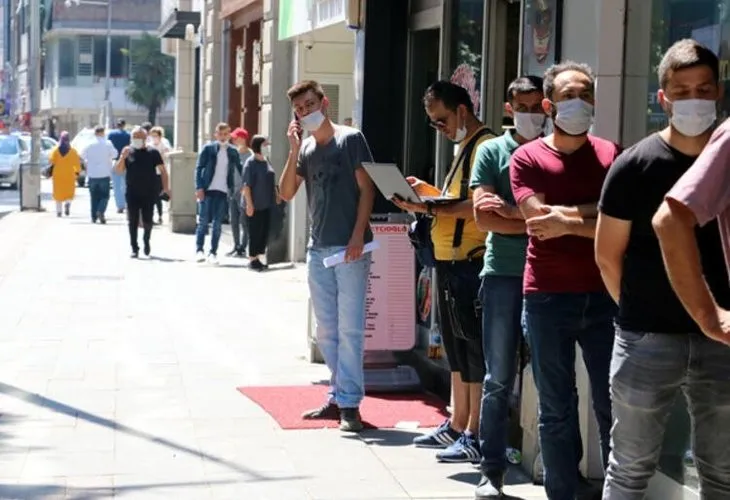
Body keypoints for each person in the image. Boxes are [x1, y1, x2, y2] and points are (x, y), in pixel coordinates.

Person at [598, 38, 730, 500]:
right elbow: (607, 255)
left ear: (719, 93)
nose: (695, 99)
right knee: (630, 468)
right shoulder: (634, 165)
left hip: (723, 341)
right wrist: (639, 314)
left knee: (723, 472)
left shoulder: (728, 158)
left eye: (704, 88)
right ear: (663, 98)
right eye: (682, 90)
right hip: (648, 339)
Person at [509, 61, 620, 500]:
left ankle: (618, 491)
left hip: (606, 294)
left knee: (614, 404)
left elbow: (623, 225)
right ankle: (564, 490)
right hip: (547, 297)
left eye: (587, 95)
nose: (580, 103)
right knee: (556, 407)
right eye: (571, 96)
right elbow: (537, 220)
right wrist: (595, 213)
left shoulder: (615, 155)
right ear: (550, 104)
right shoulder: (528, 157)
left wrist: (570, 220)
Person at [393, 81, 492, 462]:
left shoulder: (484, 146)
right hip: (452, 261)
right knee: (456, 349)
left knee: (471, 351)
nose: (440, 128)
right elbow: (457, 200)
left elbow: (476, 206)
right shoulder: (465, 148)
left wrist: (427, 208)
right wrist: (429, 193)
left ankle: (473, 430)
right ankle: (458, 423)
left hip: (470, 262)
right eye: (433, 123)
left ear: (462, 111)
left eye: (441, 120)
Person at [279, 80, 375, 432]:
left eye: (309, 104)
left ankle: (350, 404)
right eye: (300, 109)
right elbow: (287, 192)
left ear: (324, 103)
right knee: (327, 330)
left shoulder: (350, 139)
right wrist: (292, 150)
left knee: (350, 329)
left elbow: (367, 189)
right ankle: (338, 394)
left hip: (350, 247)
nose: (306, 112)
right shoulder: (305, 147)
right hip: (318, 248)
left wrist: (356, 237)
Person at [469, 75, 545, 497]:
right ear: (508, 107)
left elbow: (563, 214)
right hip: (502, 274)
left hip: (551, 275)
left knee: (553, 378)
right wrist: (534, 218)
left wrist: (513, 213)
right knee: (498, 377)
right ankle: (491, 469)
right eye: (523, 105)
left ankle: (553, 467)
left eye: (538, 104)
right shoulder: (492, 151)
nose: (531, 112)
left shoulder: (557, 151)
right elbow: (483, 218)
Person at [115, 127, 170, 258]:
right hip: (132, 191)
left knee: (147, 219)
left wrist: (165, 188)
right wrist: (123, 157)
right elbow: (118, 171)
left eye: (139, 137)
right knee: (132, 220)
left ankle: (146, 239)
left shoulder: (153, 152)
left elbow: (163, 171)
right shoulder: (128, 151)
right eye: (134, 137)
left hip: (149, 191)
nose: (136, 139)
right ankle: (134, 247)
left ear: (145, 139)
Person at [194, 122, 244, 265]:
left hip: (223, 191)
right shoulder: (208, 149)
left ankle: (213, 252)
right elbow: (198, 168)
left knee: (217, 224)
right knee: (203, 221)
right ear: (216, 134)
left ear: (229, 135)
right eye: (220, 134)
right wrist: (199, 187)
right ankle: (199, 250)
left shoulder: (232, 151)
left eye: (225, 134)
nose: (223, 137)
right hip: (207, 189)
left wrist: (246, 183)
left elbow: (240, 168)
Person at [242, 135, 277, 271]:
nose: (267, 147)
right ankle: (252, 259)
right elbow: (246, 186)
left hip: (266, 203)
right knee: (255, 232)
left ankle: (258, 257)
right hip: (255, 204)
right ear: (258, 146)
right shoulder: (250, 163)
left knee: (263, 231)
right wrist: (249, 204)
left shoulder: (266, 161)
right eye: (265, 144)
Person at [81, 125, 118, 224]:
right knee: (104, 196)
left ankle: (93, 217)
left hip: (92, 174)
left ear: (95, 133)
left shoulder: (89, 144)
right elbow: (115, 154)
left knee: (94, 196)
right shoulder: (108, 143)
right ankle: (100, 211)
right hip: (104, 173)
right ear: (103, 133)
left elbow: (82, 155)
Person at [229, 127, 252, 257]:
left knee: (244, 221)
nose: (233, 139)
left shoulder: (250, 155)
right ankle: (236, 245)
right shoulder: (233, 154)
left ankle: (243, 246)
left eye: (235, 137)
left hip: (244, 193)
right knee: (233, 220)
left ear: (242, 138)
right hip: (232, 191)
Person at [49, 131, 82, 217]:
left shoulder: (55, 150)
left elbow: (51, 160)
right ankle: (67, 203)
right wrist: (77, 173)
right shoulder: (73, 151)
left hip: (58, 174)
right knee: (69, 192)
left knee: (58, 193)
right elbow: (77, 164)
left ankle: (59, 212)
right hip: (69, 174)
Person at [148, 126, 171, 224]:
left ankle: (160, 216)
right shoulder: (149, 145)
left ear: (160, 136)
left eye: (156, 136)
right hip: (151, 174)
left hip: (160, 174)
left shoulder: (164, 144)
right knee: (151, 197)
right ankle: (151, 216)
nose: (154, 138)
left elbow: (167, 154)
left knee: (158, 197)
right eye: (152, 136)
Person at [107, 119, 130, 214]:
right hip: (126, 161)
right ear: (124, 125)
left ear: (117, 125)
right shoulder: (128, 135)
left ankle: (119, 206)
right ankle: (126, 204)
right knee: (125, 184)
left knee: (116, 185)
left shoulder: (111, 134)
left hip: (114, 161)